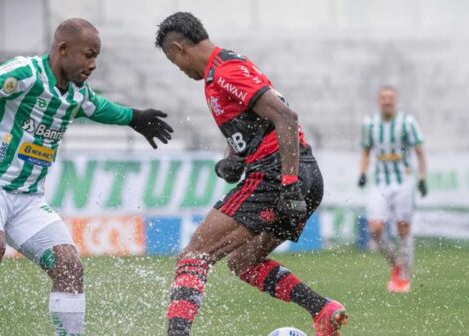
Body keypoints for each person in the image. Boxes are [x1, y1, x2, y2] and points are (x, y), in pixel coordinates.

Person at [0, 18, 173, 336]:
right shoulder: (25, 73)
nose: (94, 64)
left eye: (96, 56)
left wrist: (134, 117)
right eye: (89, 55)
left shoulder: (77, 95)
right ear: (64, 49)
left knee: (69, 266)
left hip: (28, 200)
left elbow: (101, 107)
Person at [155, 12, 347, 336]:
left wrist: (287, 185)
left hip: (279, 175)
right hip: (304, 174)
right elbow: (260, 123)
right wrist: (234, 157)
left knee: (195, 255)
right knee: (243, 263)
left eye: (175, 62)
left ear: (179, 49)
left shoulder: (224, 70)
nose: (181, 70)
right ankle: (321, 309)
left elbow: (286, 117)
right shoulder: (228, 68)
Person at [358, 85, 427, 293]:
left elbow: (420, 151)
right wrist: (362, 172)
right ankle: (396, 263)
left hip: (403, 182)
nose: (387, 101)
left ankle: (404, 276)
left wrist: (422, 177)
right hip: (380, 182)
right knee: (376, 228)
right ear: (379, 101)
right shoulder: (370, 125)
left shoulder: (407, 123)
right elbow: (366, 151)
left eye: (390, 98)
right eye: (384, 98)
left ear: (395, 101)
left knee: (403, 228)